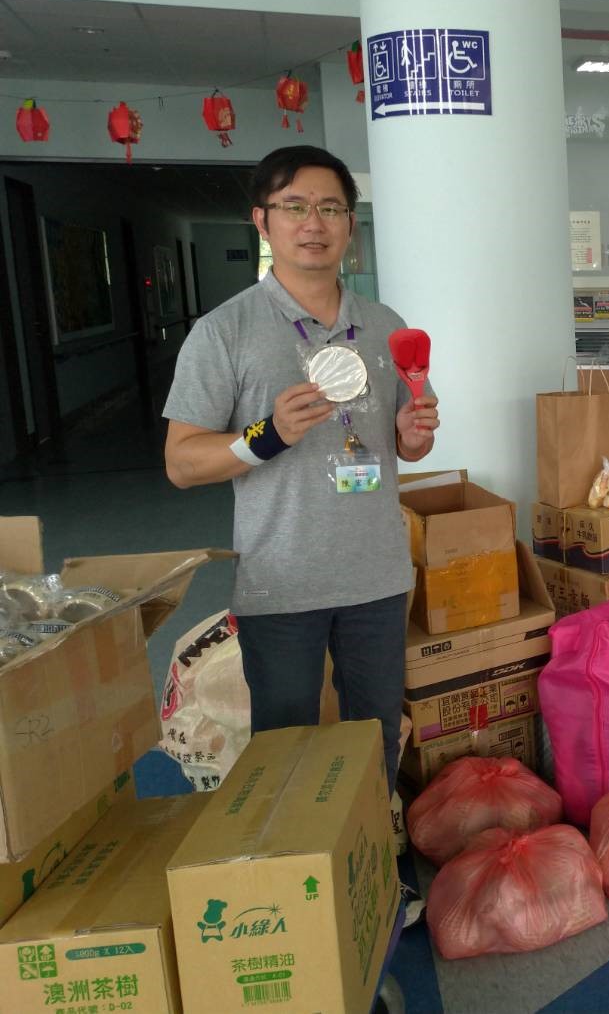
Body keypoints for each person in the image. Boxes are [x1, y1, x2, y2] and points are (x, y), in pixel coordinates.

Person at [163, 145, 439, 792]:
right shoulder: (223, 332)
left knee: (376, 737)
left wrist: (412, 436)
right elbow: (181, 463)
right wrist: (267, 436)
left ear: (349, 224)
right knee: (284, 750)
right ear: (261, 220)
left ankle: (375, 845)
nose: (313, 223)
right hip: (281, 580)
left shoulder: (385, 326)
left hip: (376, 575)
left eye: (330, 208)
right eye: (294, 206)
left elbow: (409, 447)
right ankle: (295, 853)